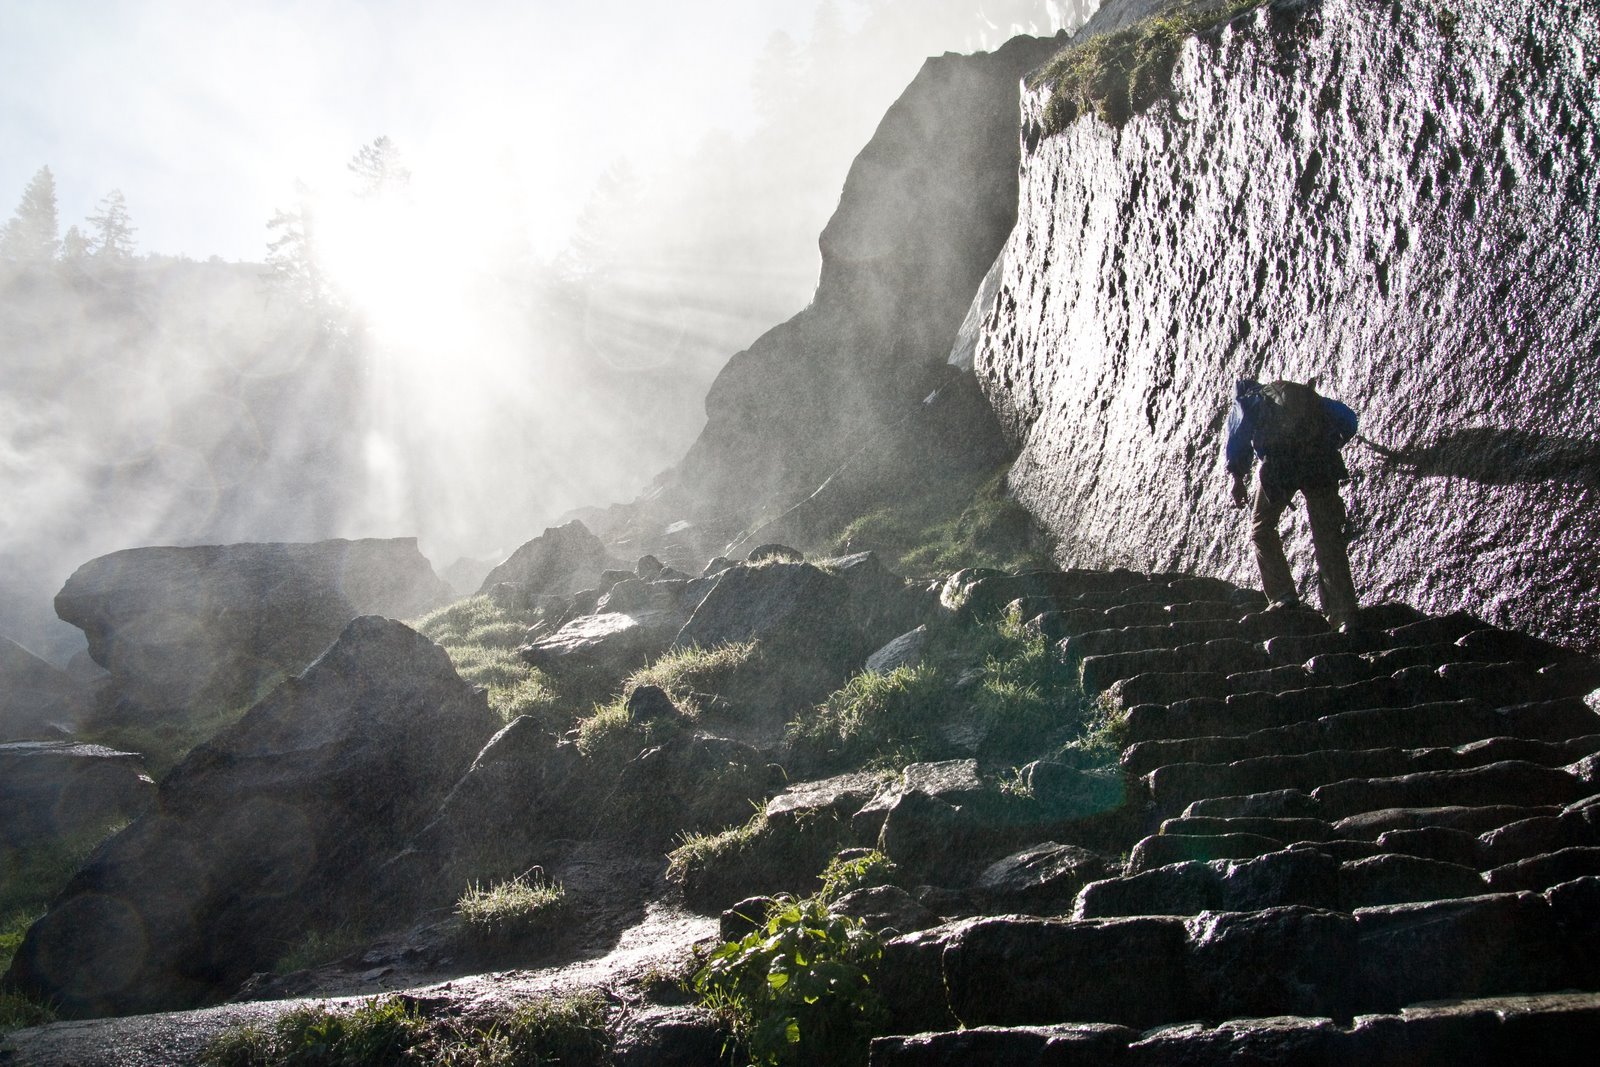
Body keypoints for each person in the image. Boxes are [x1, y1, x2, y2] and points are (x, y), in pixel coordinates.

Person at [1224, 378, 1361, 630]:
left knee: (1261, 529)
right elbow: (1348, 418)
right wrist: (1335, 441)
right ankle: (1344, 614)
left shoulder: (1247, 400)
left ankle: (1283, 597)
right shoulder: (1300, 394)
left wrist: (1236, 477)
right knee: (1327, 536)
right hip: (1321, 462)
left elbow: (1237, 434)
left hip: (1281, 466)